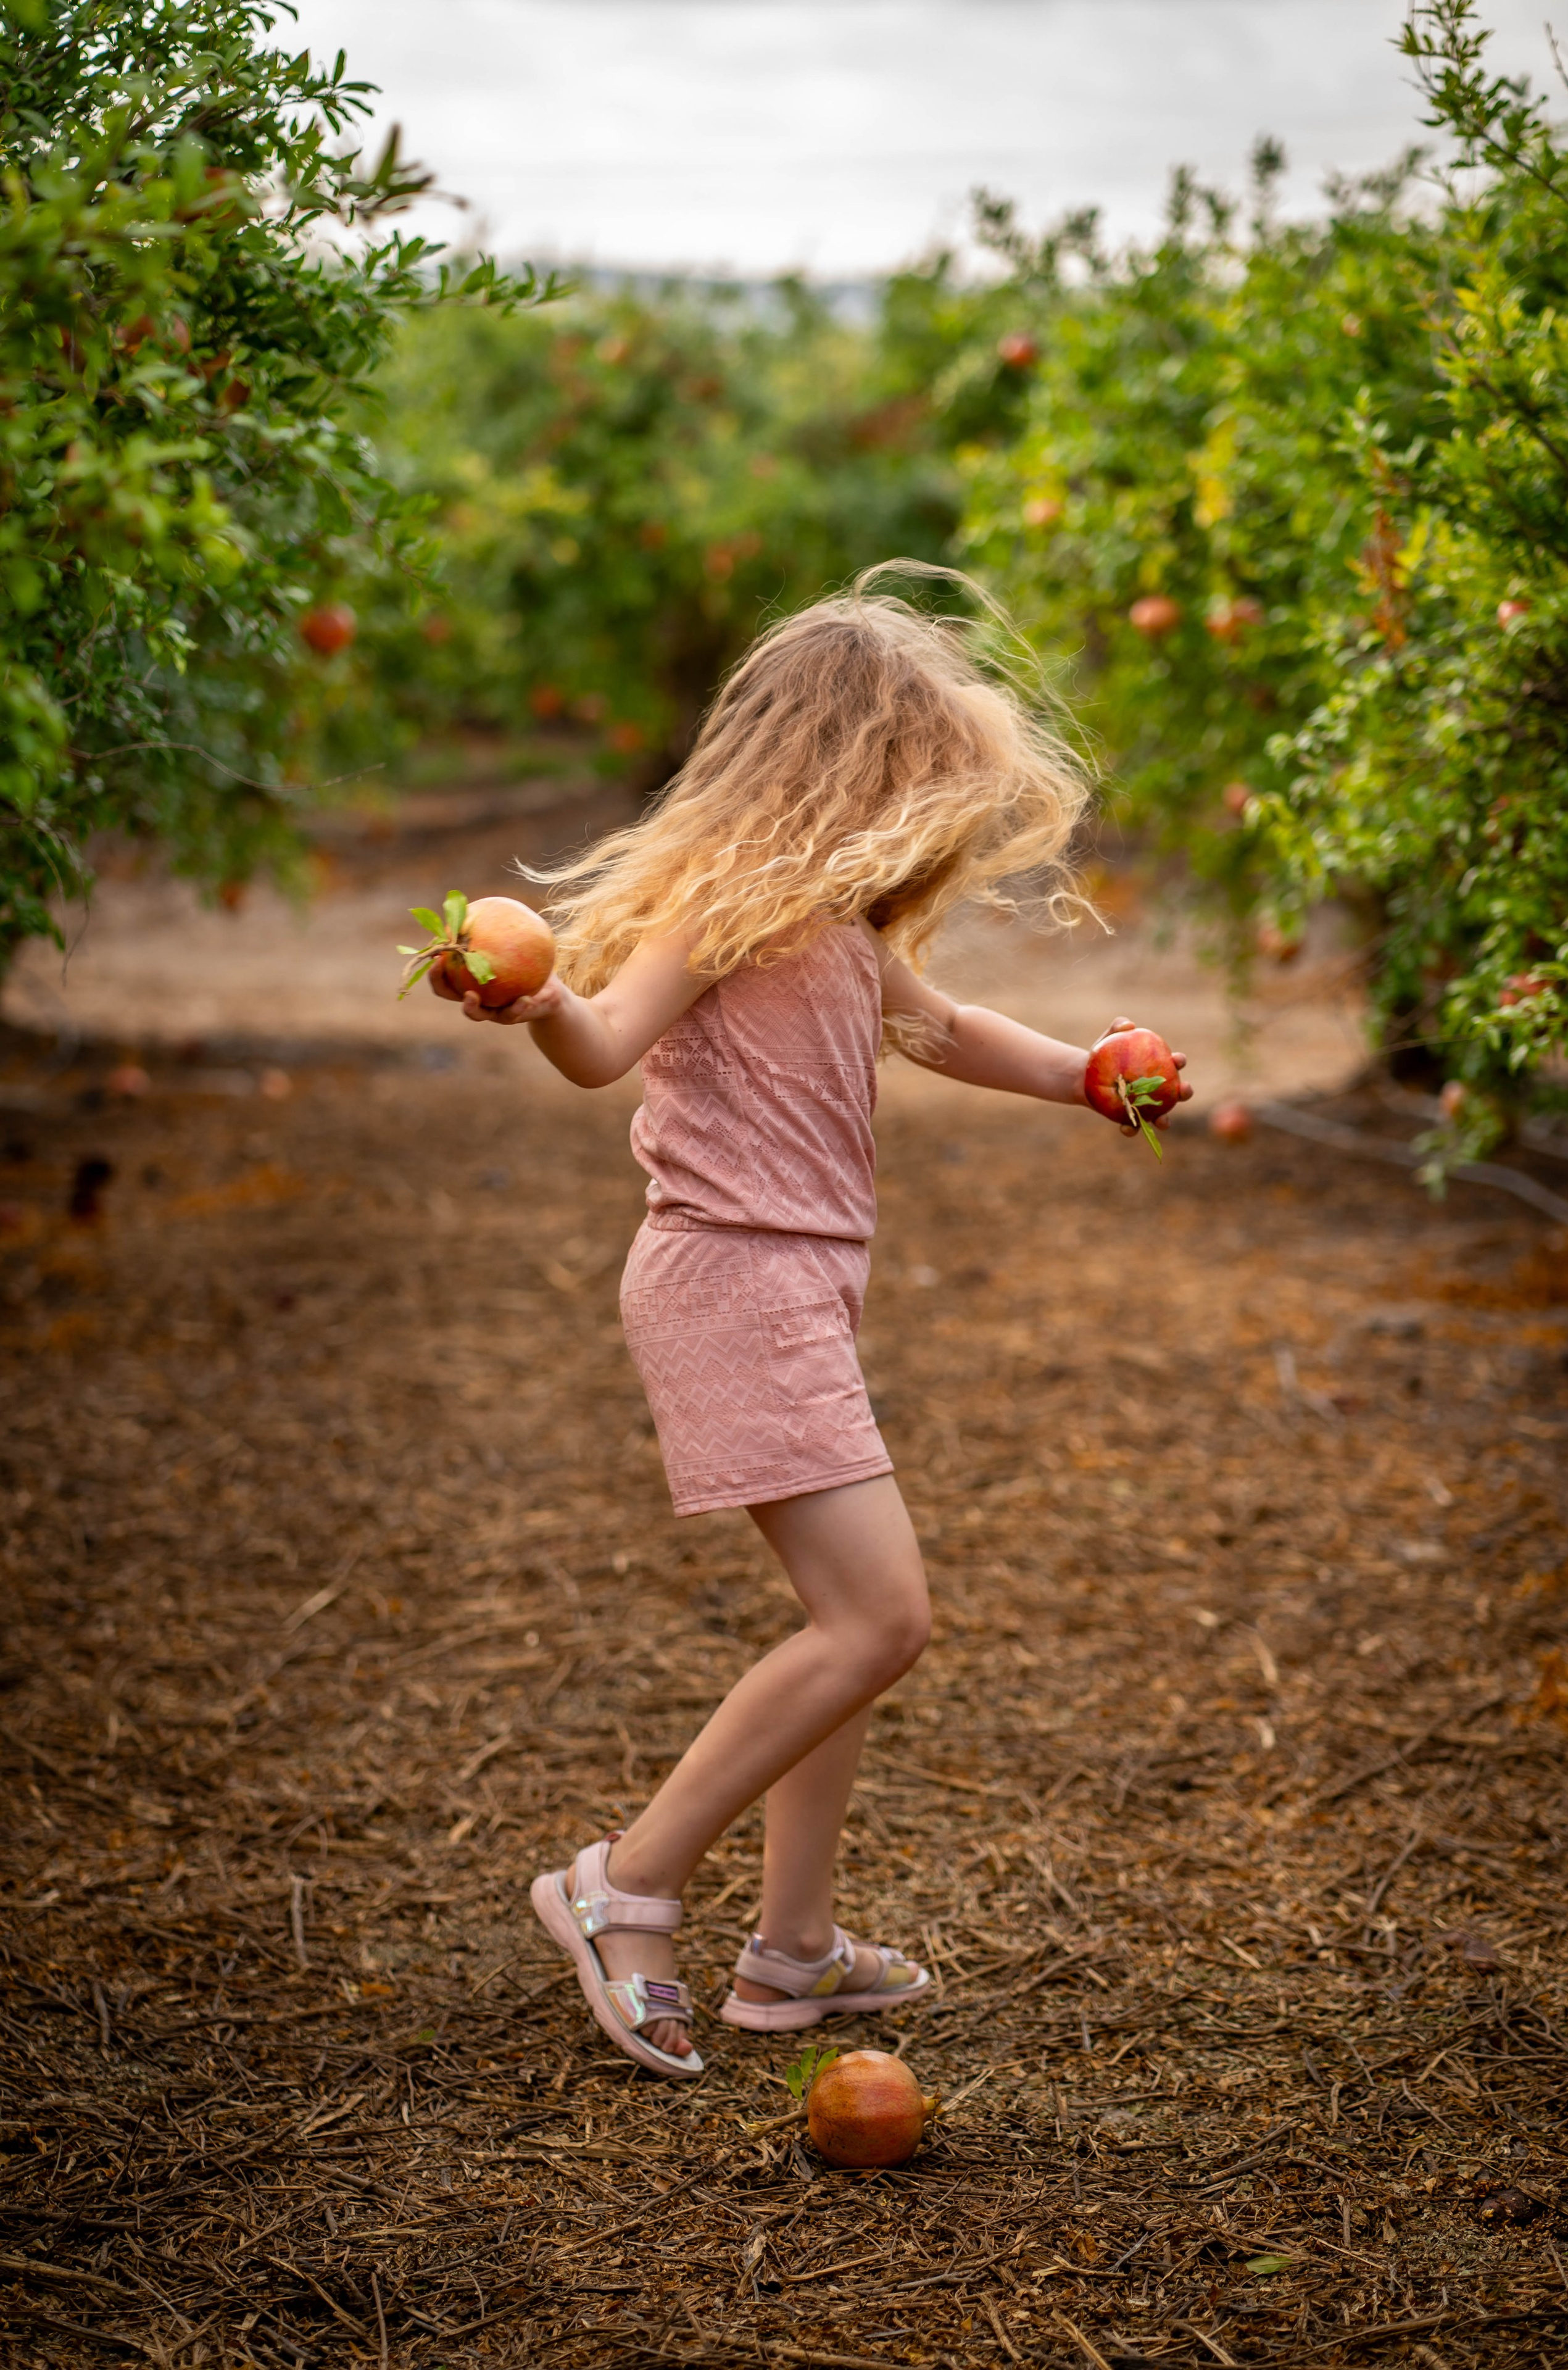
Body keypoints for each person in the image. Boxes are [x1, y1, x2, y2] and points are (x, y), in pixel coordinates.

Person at [435, 568, 1190, 2079]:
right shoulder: (726, 897)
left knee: (846, 1633)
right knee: (877, 1620)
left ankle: (791, 1954)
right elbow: (605, 1042)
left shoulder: (832, 921)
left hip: (790, 1285)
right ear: (850, 766)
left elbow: (941, 1023)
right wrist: (531, 1008)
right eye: (920, 781)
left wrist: (1082, 1069)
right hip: (730, 1279)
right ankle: (622, 1888)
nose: (936, 820)